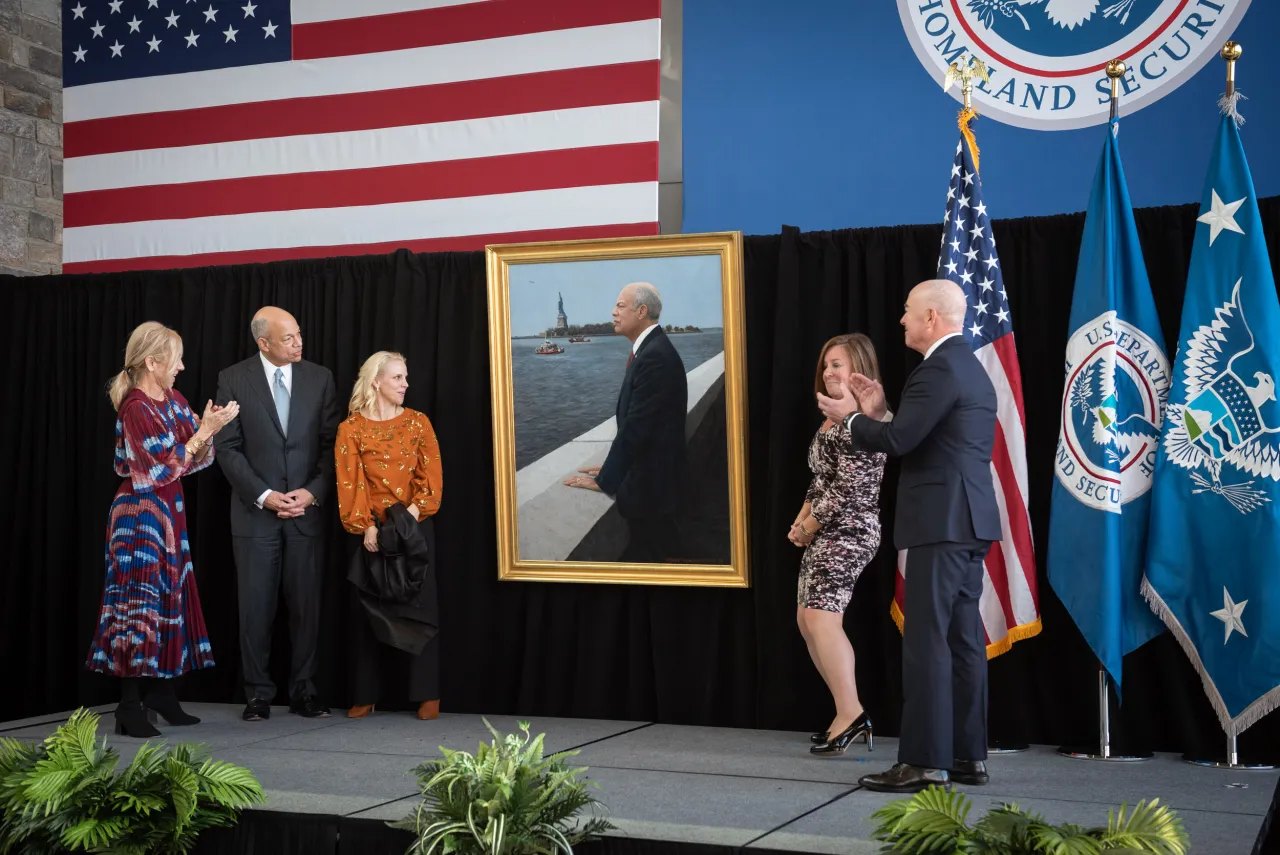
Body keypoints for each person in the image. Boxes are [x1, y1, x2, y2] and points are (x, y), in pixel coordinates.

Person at [817, 279, 1001, 794]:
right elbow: (921, 435)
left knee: (926, 642)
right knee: (964, 641)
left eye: (907, 311)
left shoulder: (937, 369)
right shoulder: (969, 366)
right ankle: (967, 757)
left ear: (931, 319)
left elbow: (899, 442)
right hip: (969, 521)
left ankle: (923, 760)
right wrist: (876, 413)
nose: (901, 320)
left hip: (939, 523)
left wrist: (851, 419)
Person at [86, 322, 240, 737]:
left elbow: (193, 458)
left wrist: (210, 431)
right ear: (152, 362)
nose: (182, 367)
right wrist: (202, 434)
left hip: (168, 512)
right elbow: (154, 469)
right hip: (139, 516)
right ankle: (129, 704)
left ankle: (162, 694)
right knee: (138, 604)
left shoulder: (172, 400)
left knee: (169, 597)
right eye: (175, 359)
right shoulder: (135, 407)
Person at [214, 307, 341, 721]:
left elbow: (330, 446)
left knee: (306, 608)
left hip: (306, 513)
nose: (299, 342)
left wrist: (313, 493)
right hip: (255, 517)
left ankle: (304, 692)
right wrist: (264, 495)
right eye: (288, 338)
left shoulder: (320, 378)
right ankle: (257, 696)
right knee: (255, 609)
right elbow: (227, 449)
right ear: (263, 343)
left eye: (299, 334)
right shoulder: (233, 378)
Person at [792, 334, 890, 758]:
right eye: (827, 364)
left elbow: (851, 487)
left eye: (840, 365)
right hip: (828, 526)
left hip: (850, 531)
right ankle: (843, 713)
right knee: (807, 620)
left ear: (861, 370)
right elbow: (822, 479)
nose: (830, 372)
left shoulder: (866, 416)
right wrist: (802, 517)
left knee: (821, 619)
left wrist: (810, 524)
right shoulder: (830, 418)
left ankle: (851, 714)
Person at [335, 351, 443, 721]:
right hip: (370, 531)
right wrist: (365, 525)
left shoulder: (418, 423)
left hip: (413, 526)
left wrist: (407, 522)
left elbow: (431, 481)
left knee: (420, 605)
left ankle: (428, 693)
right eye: (398, 378)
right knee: (368, 609)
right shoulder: (351, 428)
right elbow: (351, 482)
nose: (405, 384)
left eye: (406, 377)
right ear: (376, 382)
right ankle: (365, 694)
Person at [562, 282, 687, 563]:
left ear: (641, 311)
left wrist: (606, 480)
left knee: (659, 562)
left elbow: (636, 428)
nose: (613, 312)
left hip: (651, 493)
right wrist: (611, 466)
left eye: (620, 306)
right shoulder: (654, 349)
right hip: (652, 485)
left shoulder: (654, 356)